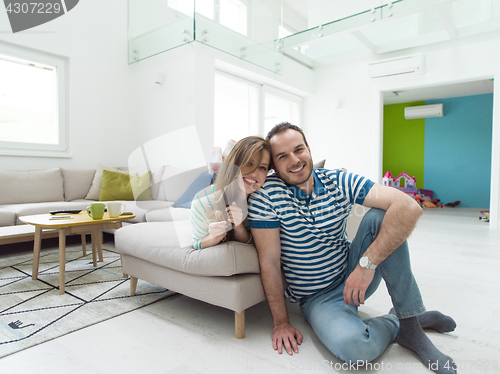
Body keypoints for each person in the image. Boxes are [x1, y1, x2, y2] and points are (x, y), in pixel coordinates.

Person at [247, 123, 457, 374]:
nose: (294, 160)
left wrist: (365, 265)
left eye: (298, 149)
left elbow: (410, 207)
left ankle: (411, 327)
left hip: (355, 271)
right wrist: (281, 322)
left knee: (383, 217)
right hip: (317, 298)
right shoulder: (265, 197)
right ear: (274, 165)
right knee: (355, 349)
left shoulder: (337, 179)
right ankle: (399, 321)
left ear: (309, 149)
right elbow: (269, 261)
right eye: (282, 156)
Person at [190, 136, 271, 250]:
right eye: (249, 163)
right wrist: (213, 237)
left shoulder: (263, 201)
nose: (254, 173)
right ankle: (221, 160)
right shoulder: (201, 202)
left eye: (262, 167)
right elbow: (196, 242)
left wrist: (239, 227)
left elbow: (254, 243)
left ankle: (221, 160)